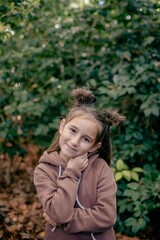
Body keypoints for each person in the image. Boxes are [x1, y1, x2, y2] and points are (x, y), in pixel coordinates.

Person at [34, 88, 125, 240]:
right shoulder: (44, 170)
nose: (75, 142)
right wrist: (71, 172)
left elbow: (107, 216)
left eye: (86, 139)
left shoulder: (100, 168)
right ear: (62, 126)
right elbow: (58, 213)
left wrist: (65, 222)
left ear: (95, 146)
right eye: (73, 130)